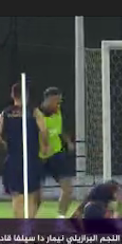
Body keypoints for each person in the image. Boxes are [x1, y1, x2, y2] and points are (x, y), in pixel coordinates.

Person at [0, 82, 49, 219]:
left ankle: (21, 226)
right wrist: (44, 147)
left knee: (17, 195)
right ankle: (28, 226)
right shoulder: (34, 112)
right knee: (32, 195)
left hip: (13, 159)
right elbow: (44, 130)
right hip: (31, 158)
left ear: (13, 95)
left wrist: (5, 144)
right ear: (27, 95)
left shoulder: (6, 113)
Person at [38, 87, 74, 218]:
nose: (58, 104)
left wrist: (68, 141)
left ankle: (61, 218)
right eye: (56, 101)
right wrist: (43, 146)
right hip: (39, 157)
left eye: (60, 102)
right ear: (48, 100)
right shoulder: (36, 114)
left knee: (68, 189)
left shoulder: (58, 112)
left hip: (57, 155)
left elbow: (59, 129)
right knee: (36, 194)